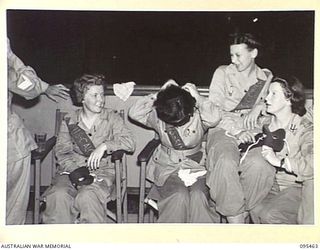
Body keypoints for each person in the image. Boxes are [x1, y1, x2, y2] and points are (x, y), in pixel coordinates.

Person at [42, 74, 135, 224]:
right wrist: (78, 172)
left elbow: (130, 142)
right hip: (71, 170)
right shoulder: (70, 120)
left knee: (87, 195)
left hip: (102, 172)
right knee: (58, 195)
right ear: (82, 98)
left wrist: (105, 146)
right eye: (95, 95)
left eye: (102, 94)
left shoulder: (112, 118)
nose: (101, 100)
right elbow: (62, 151)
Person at [128, 80, 221, 223]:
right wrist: (159, 95)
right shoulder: (159, 116)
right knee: (178, 196)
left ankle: (202, 239)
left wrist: (198, 97)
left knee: (198, 196)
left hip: (197, 167)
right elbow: (134, 113)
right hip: (168, 168)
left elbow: (214, 117)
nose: (177, 124)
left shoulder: (198, 116)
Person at [206, 32, 273, 223]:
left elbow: (272, 109)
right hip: (223, 127)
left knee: (261, 165)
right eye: (231, 55)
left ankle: (239, 212)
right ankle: (236, 221)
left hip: (252, 132)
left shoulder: (265, 77)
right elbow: (214, 110)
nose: (233, 60)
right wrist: (237, 130)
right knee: (226, 162)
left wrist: (261, 107)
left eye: (238, 55)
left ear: (254, 53)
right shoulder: (222, 73)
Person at [7, 39, 70, 225]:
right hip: (10, 148)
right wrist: (10, 56)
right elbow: (30, 88)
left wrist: (46, 88)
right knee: (12, 211)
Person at [242, 76, 313, 224]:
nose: (266, 98)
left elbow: (313, 163)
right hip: (270, 184)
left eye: (273, 94)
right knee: (252, 206)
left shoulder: (304, 128)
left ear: (289, 99)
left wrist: (280, 162)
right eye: (268, 93)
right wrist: (240, 134)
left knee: (270, 215)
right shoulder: (263, 122)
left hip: (296, 186)